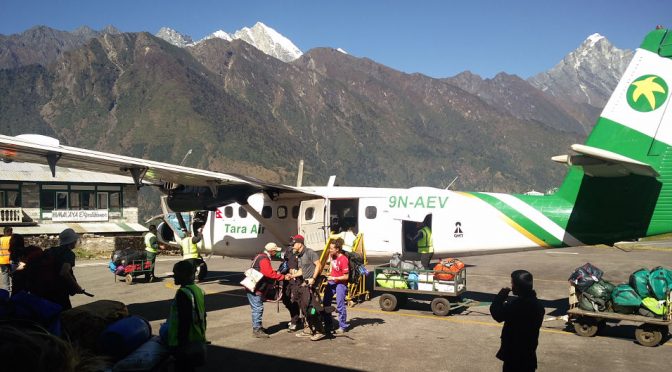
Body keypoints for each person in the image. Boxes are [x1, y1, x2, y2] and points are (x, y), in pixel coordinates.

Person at [490, 270, 545, 372]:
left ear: (518, 286)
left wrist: (500, 297)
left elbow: (497, 315)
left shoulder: (518, 305)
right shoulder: (538, 305)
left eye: (513, 283)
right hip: (529, 354)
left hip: (514, 356)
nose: (512, 286)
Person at [27, 228, 85, 310]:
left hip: (45, 288)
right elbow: (64, 272)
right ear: (72, 241)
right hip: (59, 291)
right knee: (65, 315)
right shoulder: (68, 254)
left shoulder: (51, 250)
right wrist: (77, 287)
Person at [167, 260, 207, 371]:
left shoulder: (183, 293)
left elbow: (185, 321)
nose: (173, 276)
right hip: (197, 337)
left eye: (176, 273)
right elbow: (203, 315)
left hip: (184, 342)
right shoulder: (198, 291)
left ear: (184, 275)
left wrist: (180, 345)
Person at [288, 234, 327, 341]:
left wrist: (313, 279)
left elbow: (318, 265)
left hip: (312, 285)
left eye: (294, 244)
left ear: (300, 243)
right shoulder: (299, 255)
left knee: (313, 309)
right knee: (305, 309)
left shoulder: (310, 252)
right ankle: (308, 329)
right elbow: (302, 271)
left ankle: (320, 331)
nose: (292, 246)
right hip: (305, 285)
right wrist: (292, 275)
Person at [245, 242, 286, 338]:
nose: (276, 253)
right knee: (257, 308)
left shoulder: (260, 256)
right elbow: (268, 273)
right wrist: (282, 277)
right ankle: (257, 329)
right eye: (275, 251)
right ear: (271, 251)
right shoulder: (264, 259)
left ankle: (258, 327)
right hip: (255, 287)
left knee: (257, 307)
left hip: (252, 286)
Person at [323, 238, 350, 334]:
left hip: (340, 283)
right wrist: (329, 273)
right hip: (332, 281)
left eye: (331, 248)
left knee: (340, 305)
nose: (330, 250)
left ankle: (343, 326)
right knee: (325, 302)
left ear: (337, 249)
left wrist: (333, 278)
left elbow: (346, 276)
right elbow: (329, 265)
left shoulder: (343, 259)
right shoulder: (332, 255)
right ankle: (328, 323)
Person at [281, 239, 301, 332]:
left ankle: (294, 321)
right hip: (287, 280)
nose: (292, 246)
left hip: (296, 280)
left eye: (294, 244)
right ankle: (295, 317)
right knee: (285, 299)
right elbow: (284, 262)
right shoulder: (288, 252)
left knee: (294, 300)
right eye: (291, 245)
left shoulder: (301, 254)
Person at [0, 226, 12, 291]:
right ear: (11, 232)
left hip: (2, 261)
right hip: (12, 260)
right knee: (14, 275)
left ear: (4, 232)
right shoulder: (12, 239)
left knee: (4, 274)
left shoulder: (0, 239)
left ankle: (5, 290)